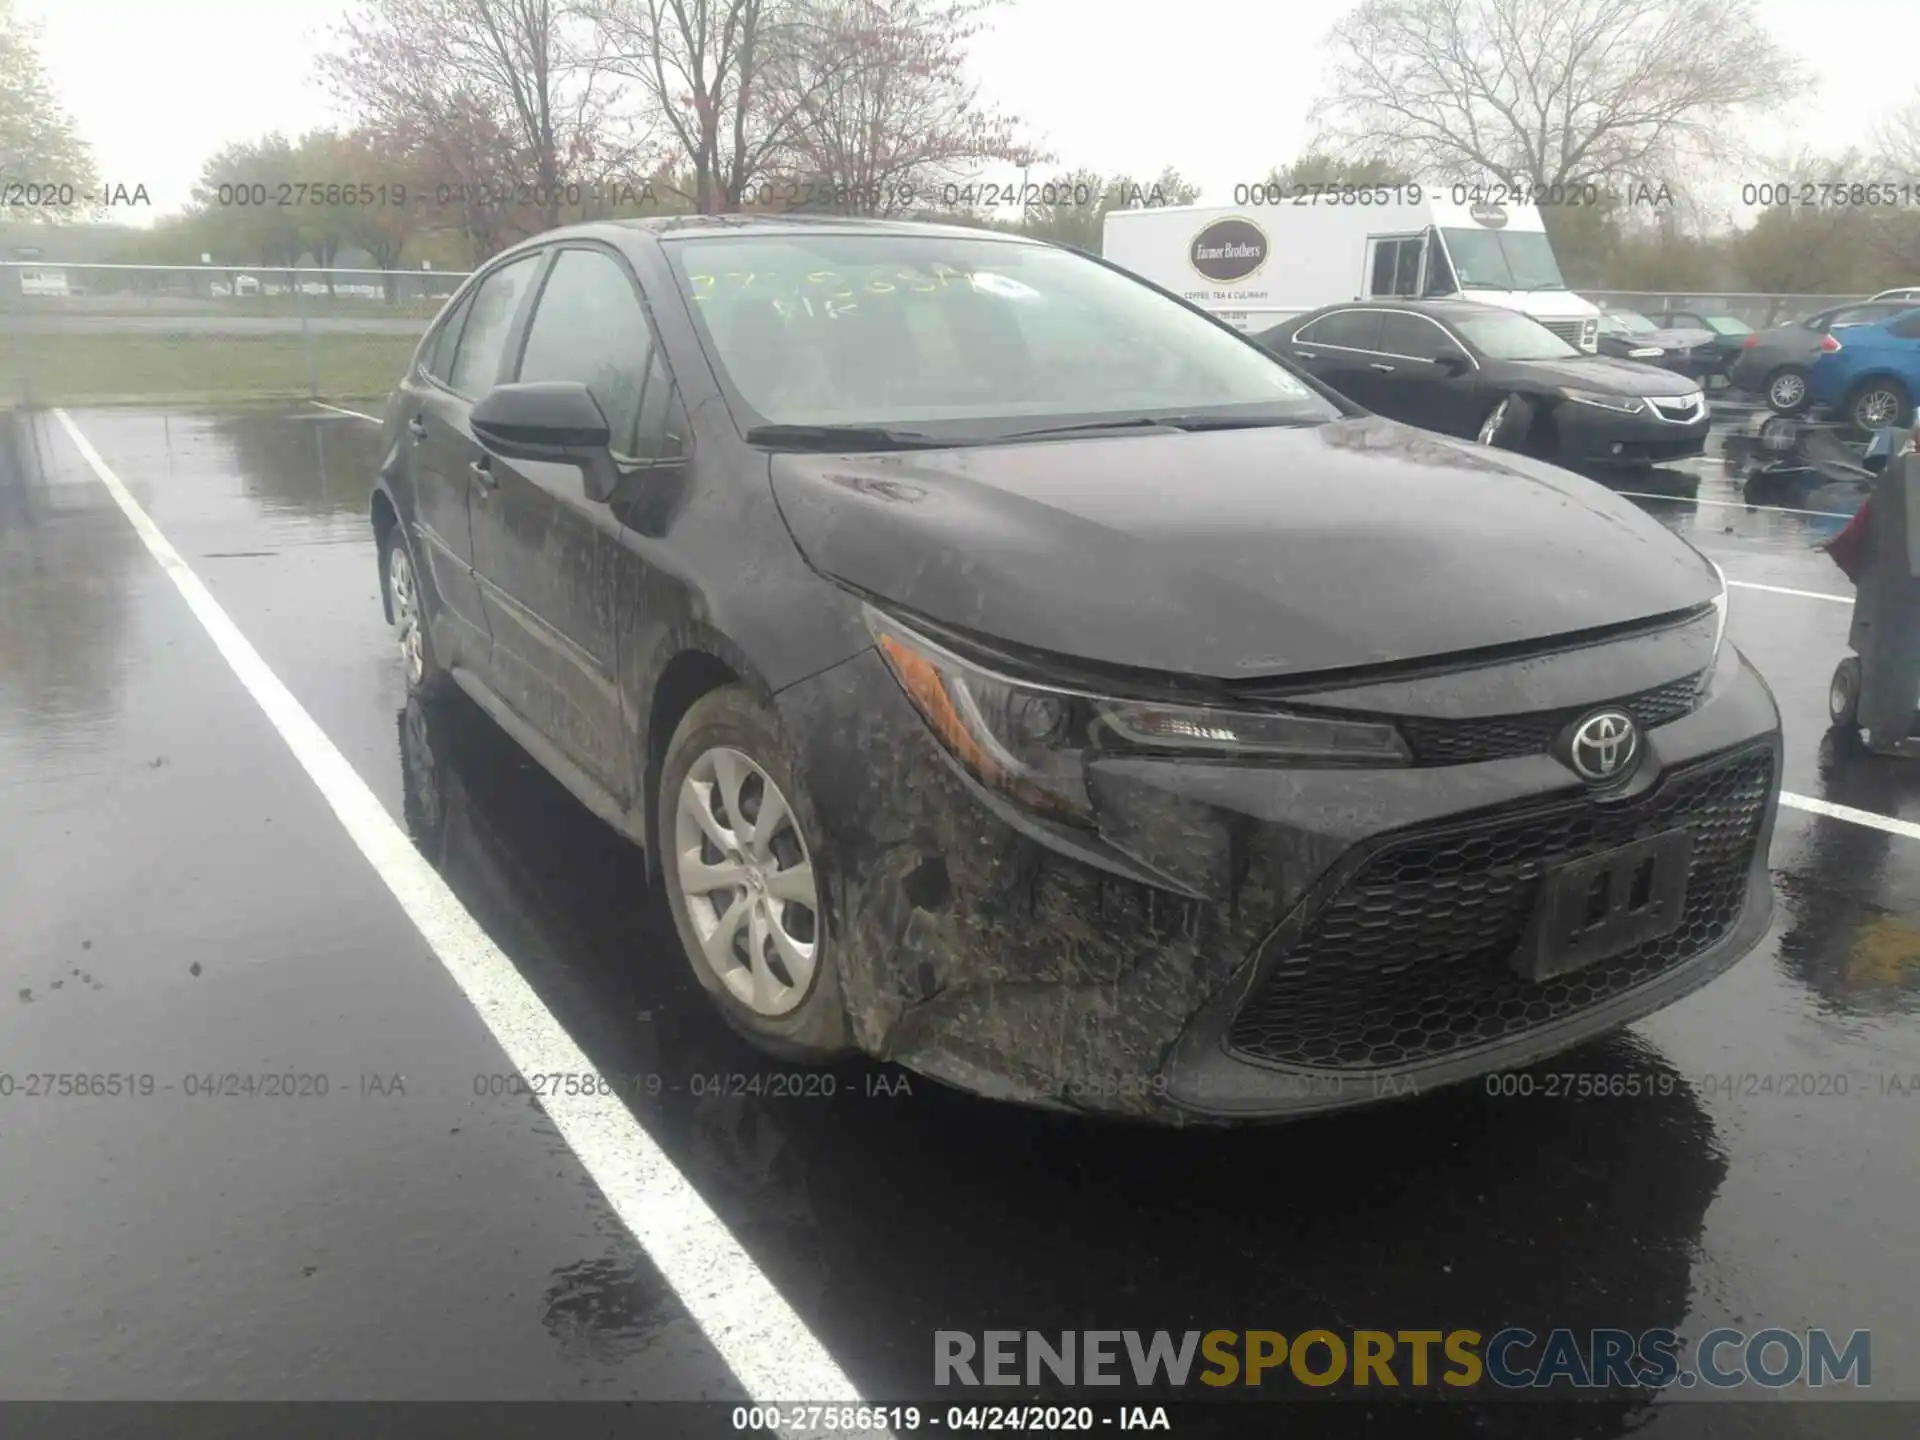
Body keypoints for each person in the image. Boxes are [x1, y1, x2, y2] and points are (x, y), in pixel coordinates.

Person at [1826, 437, 1920, 757]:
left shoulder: (1902, 471)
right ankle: (1887, 732)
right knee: (1896, 652)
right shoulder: (1907, 475)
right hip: (1899, 590)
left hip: (1893, 583)